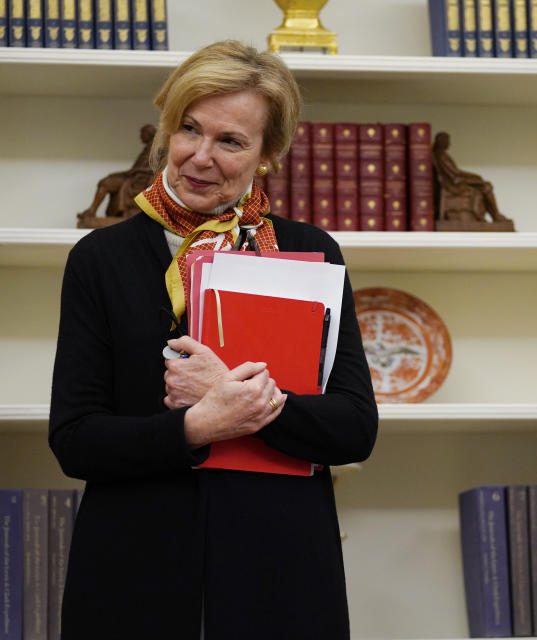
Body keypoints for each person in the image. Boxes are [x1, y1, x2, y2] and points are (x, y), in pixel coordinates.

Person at [49, 41, 378, 639]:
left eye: (230, 141)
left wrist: (235, 398)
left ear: (268, 153)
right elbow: (75, 440)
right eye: (188, 129)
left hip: (281, 567)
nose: (200, 157)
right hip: (133, 571)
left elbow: (354, 427)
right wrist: (200, 425)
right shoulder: (100, 259)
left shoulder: (312, 254)